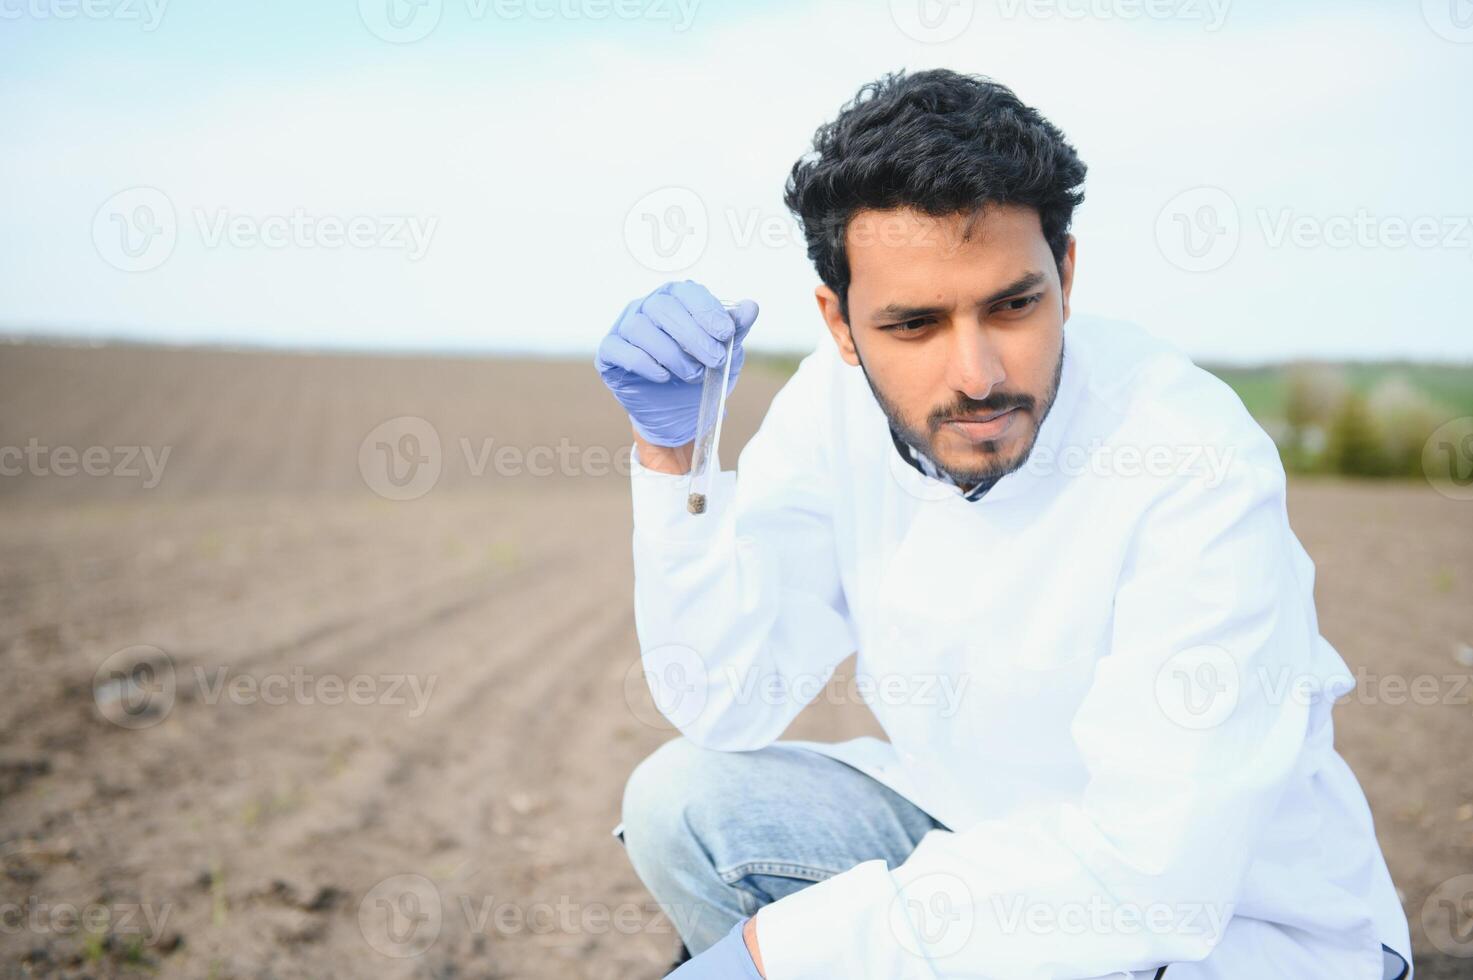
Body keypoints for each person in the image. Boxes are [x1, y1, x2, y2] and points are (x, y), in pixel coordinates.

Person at [594, 68, 1411, 980]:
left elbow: (1155, 877)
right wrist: (675, 460)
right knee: (685, 801)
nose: (976, 374)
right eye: (913, 324)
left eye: (1012, 305)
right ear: (839, 323)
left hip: (1232, 930)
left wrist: (768, 956)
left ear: (1065, 272)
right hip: (986, 840)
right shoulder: (832, 409)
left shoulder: (1189, 455)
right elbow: (725, 696)